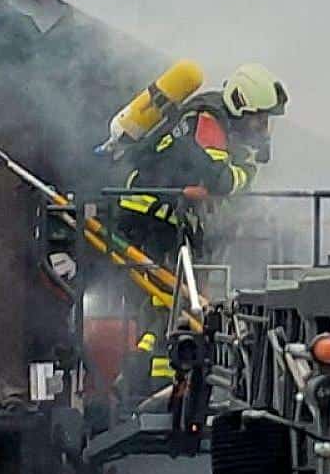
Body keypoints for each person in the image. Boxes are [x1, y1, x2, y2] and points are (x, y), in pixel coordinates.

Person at [113, 63, 287, 402]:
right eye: (259, 119)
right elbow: (220, 179)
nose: (263, 128)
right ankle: (152, 386)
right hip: (149, 218)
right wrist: (246, 172)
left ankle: (151, 380)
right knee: (168, 302)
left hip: (168, 219)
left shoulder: (218, 123)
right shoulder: (207, 122)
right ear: (240, 105)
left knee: (172, 306)